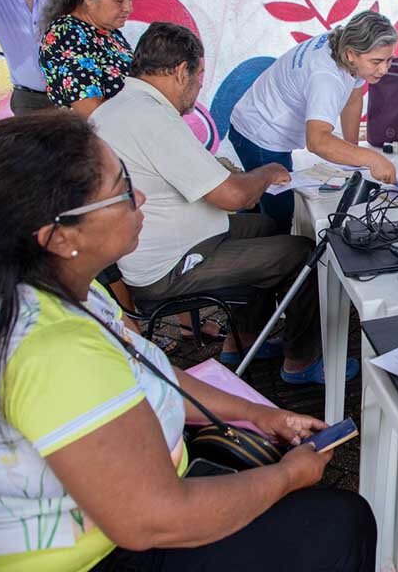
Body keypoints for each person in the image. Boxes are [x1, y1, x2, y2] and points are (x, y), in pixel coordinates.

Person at [0, 113, 376, 572]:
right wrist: (286, 479)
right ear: (60, 237)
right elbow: (155, 519)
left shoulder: (52, 287)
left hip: (123, 524)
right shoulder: (53, 348)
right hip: (92, 565)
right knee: (341, 525)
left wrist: (259, 415)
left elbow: (142, 369)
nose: (138, 198)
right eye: (122, 190)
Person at [93, 22, 356, 385]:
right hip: (167, 265)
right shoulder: (152, 118)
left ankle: (247, 339)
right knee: (303, 252)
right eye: (200, 77)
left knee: (264, 227)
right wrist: (267, 172)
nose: (199, 88)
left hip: (168, 239)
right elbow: (234, 195)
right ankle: (302, 361)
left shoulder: (120, 106)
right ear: (181, 71)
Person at [229, 10, 398, 233]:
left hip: (258, 121)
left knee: (258, 202)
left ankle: (241, 241)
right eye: (377, 61)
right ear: (351, 54)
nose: (384, 69)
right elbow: (318, 141)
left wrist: (353, 154)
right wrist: (373, 160)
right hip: (260, 134)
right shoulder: (326, 77)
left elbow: (353, 98)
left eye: (389, 60)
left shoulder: (344, 46)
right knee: (277, 216)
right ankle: (263, 261)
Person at [38, 0, 136, 116]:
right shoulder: (67, 34)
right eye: (120, 0)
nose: (128, 8)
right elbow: (92, 111)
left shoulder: (108, 31)